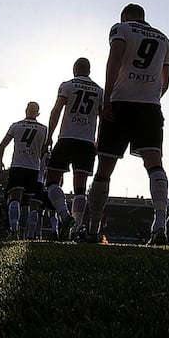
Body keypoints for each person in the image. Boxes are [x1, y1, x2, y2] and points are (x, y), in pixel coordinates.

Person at [86, 4, 169, 246]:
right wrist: (150, 97)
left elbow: (113, 61)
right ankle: (160, 225)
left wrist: (106, 101)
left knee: (104, 167)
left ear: (125, 16)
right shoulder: (164, 38)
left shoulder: (121, 29)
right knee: (154, 165)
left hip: (120, 103)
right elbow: (165, 82)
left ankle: (93, 229)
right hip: (149, 107)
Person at [45, 57, 103, 241]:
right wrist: (98, 141)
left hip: (67, 138)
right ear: (90, 70)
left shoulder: (67, 85)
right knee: (80, 188)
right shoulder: (99, 90)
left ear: (74, 69)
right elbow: (103, 118)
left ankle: (64, 216)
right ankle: (76, 228)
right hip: (87, 141)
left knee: (52, 181)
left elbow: (56, 110)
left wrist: (49, 136)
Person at [0, 101, 48, 240]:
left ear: (26, 110)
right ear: (38, 113)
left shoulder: (16, 125)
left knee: (15, 198)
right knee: (26, 203)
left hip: (18, 165)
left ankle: (14, 231)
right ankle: (24, 234)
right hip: (34, 168)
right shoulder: (44, 129)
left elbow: (2, 145)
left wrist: (0, 161)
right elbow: (45, 150)